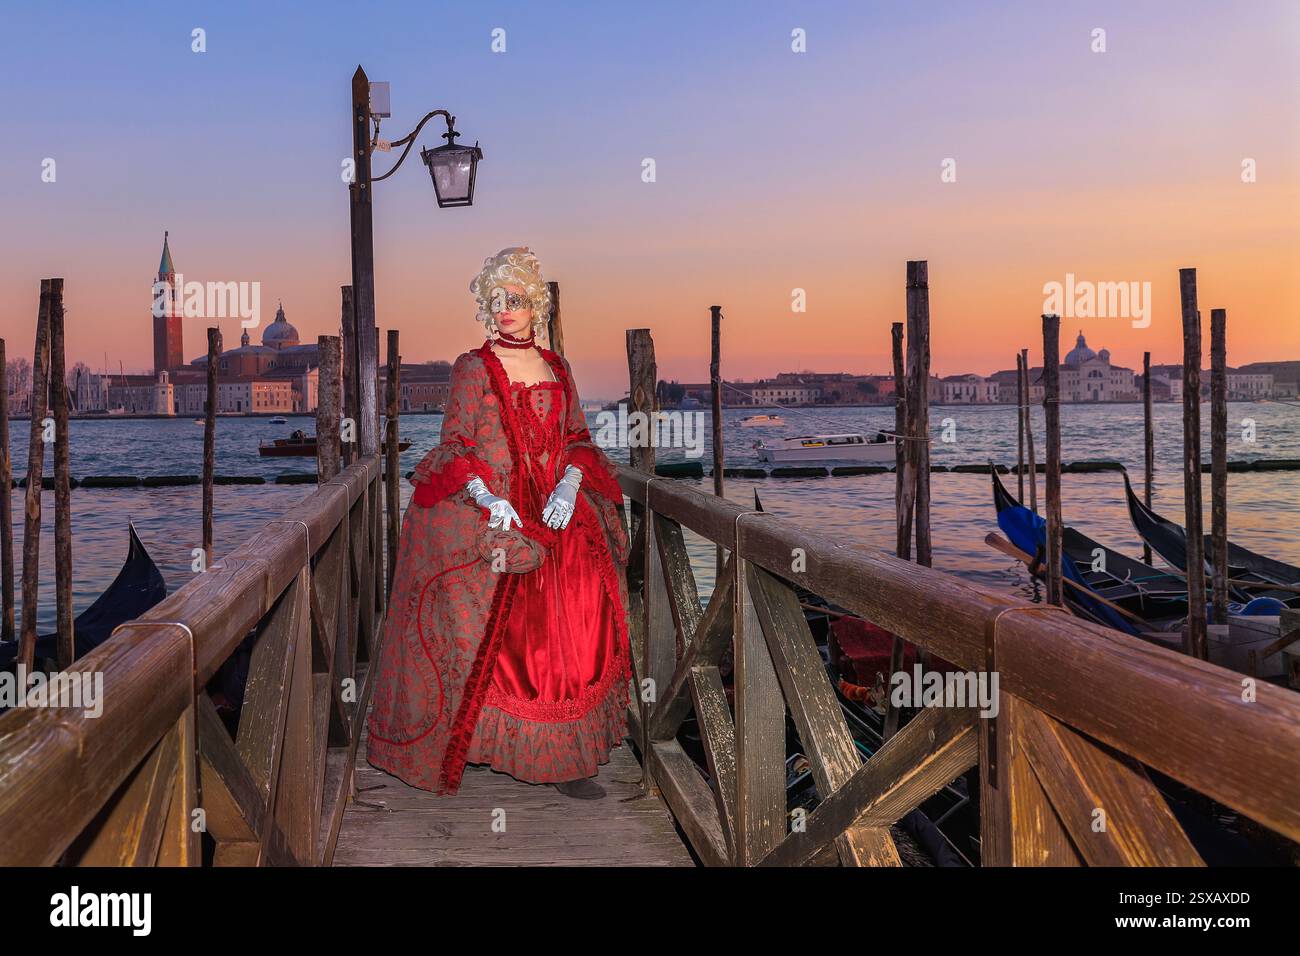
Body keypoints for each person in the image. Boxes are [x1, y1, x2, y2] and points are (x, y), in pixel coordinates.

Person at [366, 247, 631, 800]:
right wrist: (486, 496)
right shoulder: (472, 367)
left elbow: (578, 439)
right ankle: (486, 745)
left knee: (579, 628)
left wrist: (571, 482)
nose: (506, 309)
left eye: (515, 299)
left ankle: (568, 758)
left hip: (559, 512)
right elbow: (455, 445)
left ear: (534, 303)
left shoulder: (558, 367)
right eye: (496, 300)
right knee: (501, 635)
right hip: (501, 510)